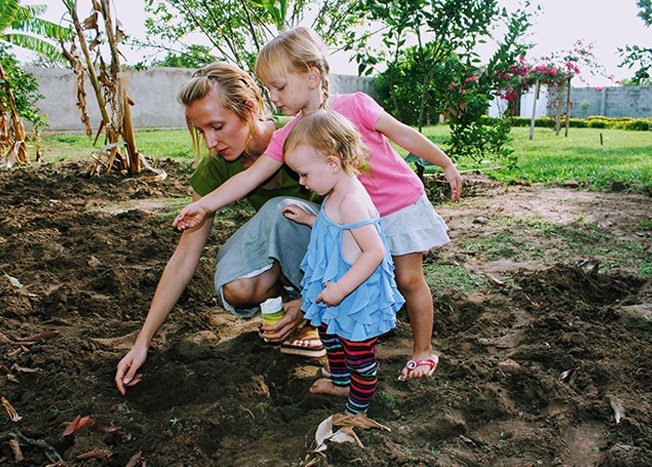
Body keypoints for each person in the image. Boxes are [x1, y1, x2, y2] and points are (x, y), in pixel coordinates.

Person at [173, 27, 462, 381]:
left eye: (279, 86)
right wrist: (205, 206)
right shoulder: (291, 134)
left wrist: (444, 162)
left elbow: (402, 133)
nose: (273, 97)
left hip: (398, 204)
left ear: (312, 76)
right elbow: (249, 177)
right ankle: (351, 358)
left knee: (407, 278)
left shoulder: (354, 105)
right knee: (354, 281)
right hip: (356, 216)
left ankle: (422, 351)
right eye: (268, 88)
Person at [114, 62, 323, 396]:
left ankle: (318, 314)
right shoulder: (217, 167)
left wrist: (315, 299)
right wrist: (142, 342)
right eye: (201, 132)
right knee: (236, 287)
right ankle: (294, 312)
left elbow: (358, 216)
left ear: (250, 108)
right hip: (302, 259)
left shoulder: (305, 133)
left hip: (344, 251)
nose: (211, 142)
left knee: (281, 210)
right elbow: (185, 256)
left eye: (218, 126)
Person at [281, 109, 404, 414]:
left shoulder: (350, 201)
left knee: (358, 354)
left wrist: (341, 289)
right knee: (328, 333)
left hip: (355, 295)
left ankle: (357, 409)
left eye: (304, 174)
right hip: (337, 286)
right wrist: (311, 220)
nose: (301, 181)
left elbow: (373, 252)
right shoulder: (336, 191)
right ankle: (340, 381)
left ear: (332, 163)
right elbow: (336, 233)